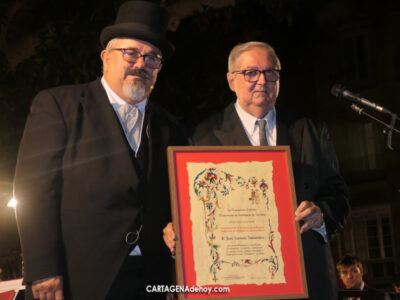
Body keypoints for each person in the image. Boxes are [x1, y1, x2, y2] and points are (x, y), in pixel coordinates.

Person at [14, 1, 186, 299]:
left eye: (152, 57)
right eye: (131, 53)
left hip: (152, 281)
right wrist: (43, 269)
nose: (141, 63)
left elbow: (178, 201)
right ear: (106, 57)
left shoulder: (172, 127)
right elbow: (35, 191)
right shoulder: (59, 106)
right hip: (79, 279)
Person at [163, 41, 350, 300]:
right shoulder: (199, 136)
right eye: (250, 72)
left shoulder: (310, 129)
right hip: (233, 284)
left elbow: (338, 194)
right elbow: (182, 205)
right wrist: (175, 226)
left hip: (306, 277)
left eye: (271, 72)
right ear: (231, 80)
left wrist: (321, 215)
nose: (262, 80)